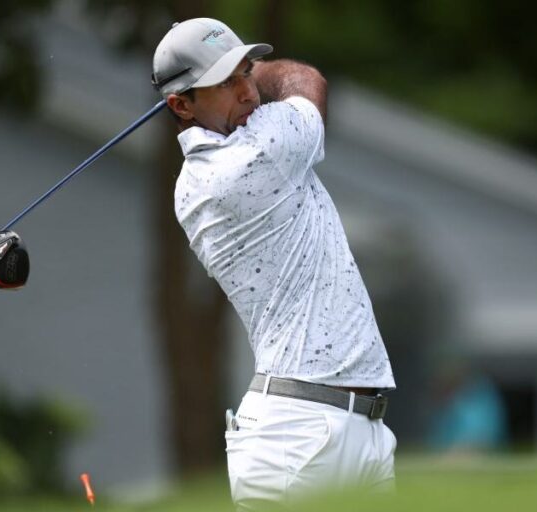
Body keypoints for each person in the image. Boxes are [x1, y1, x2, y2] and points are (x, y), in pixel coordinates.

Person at [151, 18, 396, 510]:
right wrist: (260, 69)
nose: (247, 93)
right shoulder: (252, 157)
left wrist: (229, 72)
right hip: (298, 436)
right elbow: (307, 82)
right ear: (180, 105)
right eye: (225, 82)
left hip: (348, 427)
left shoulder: (201, 175)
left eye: (246, 72)